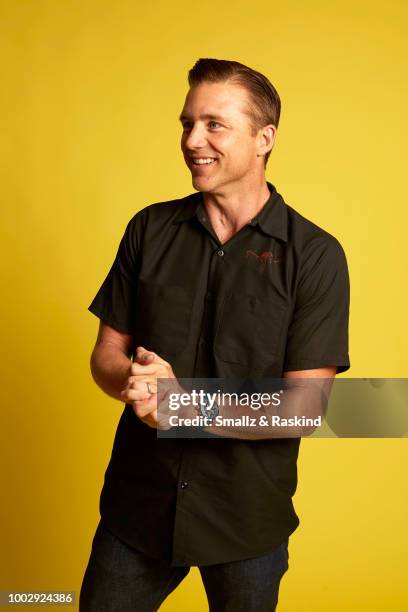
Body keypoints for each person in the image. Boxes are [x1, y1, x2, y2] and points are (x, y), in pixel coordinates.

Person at [79, 58, 350, 611]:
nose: (192, 140)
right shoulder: (148, 229)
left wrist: (185, 408)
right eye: (187, 123)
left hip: (245, 522)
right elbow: (107, 354)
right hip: (138, 510)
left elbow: (304, 408)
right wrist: (135, 382)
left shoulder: (316, 256)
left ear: (264, 138)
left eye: (214, 124)